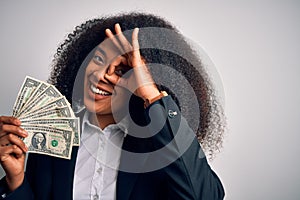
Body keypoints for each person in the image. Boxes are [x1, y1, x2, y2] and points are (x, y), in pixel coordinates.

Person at [0, 12, 226, 199]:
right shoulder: (55, 134)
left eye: (121, 70)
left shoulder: (162, 146)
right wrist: (16, 180)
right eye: (98, 60)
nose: (100, 75)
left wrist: (151, 93)